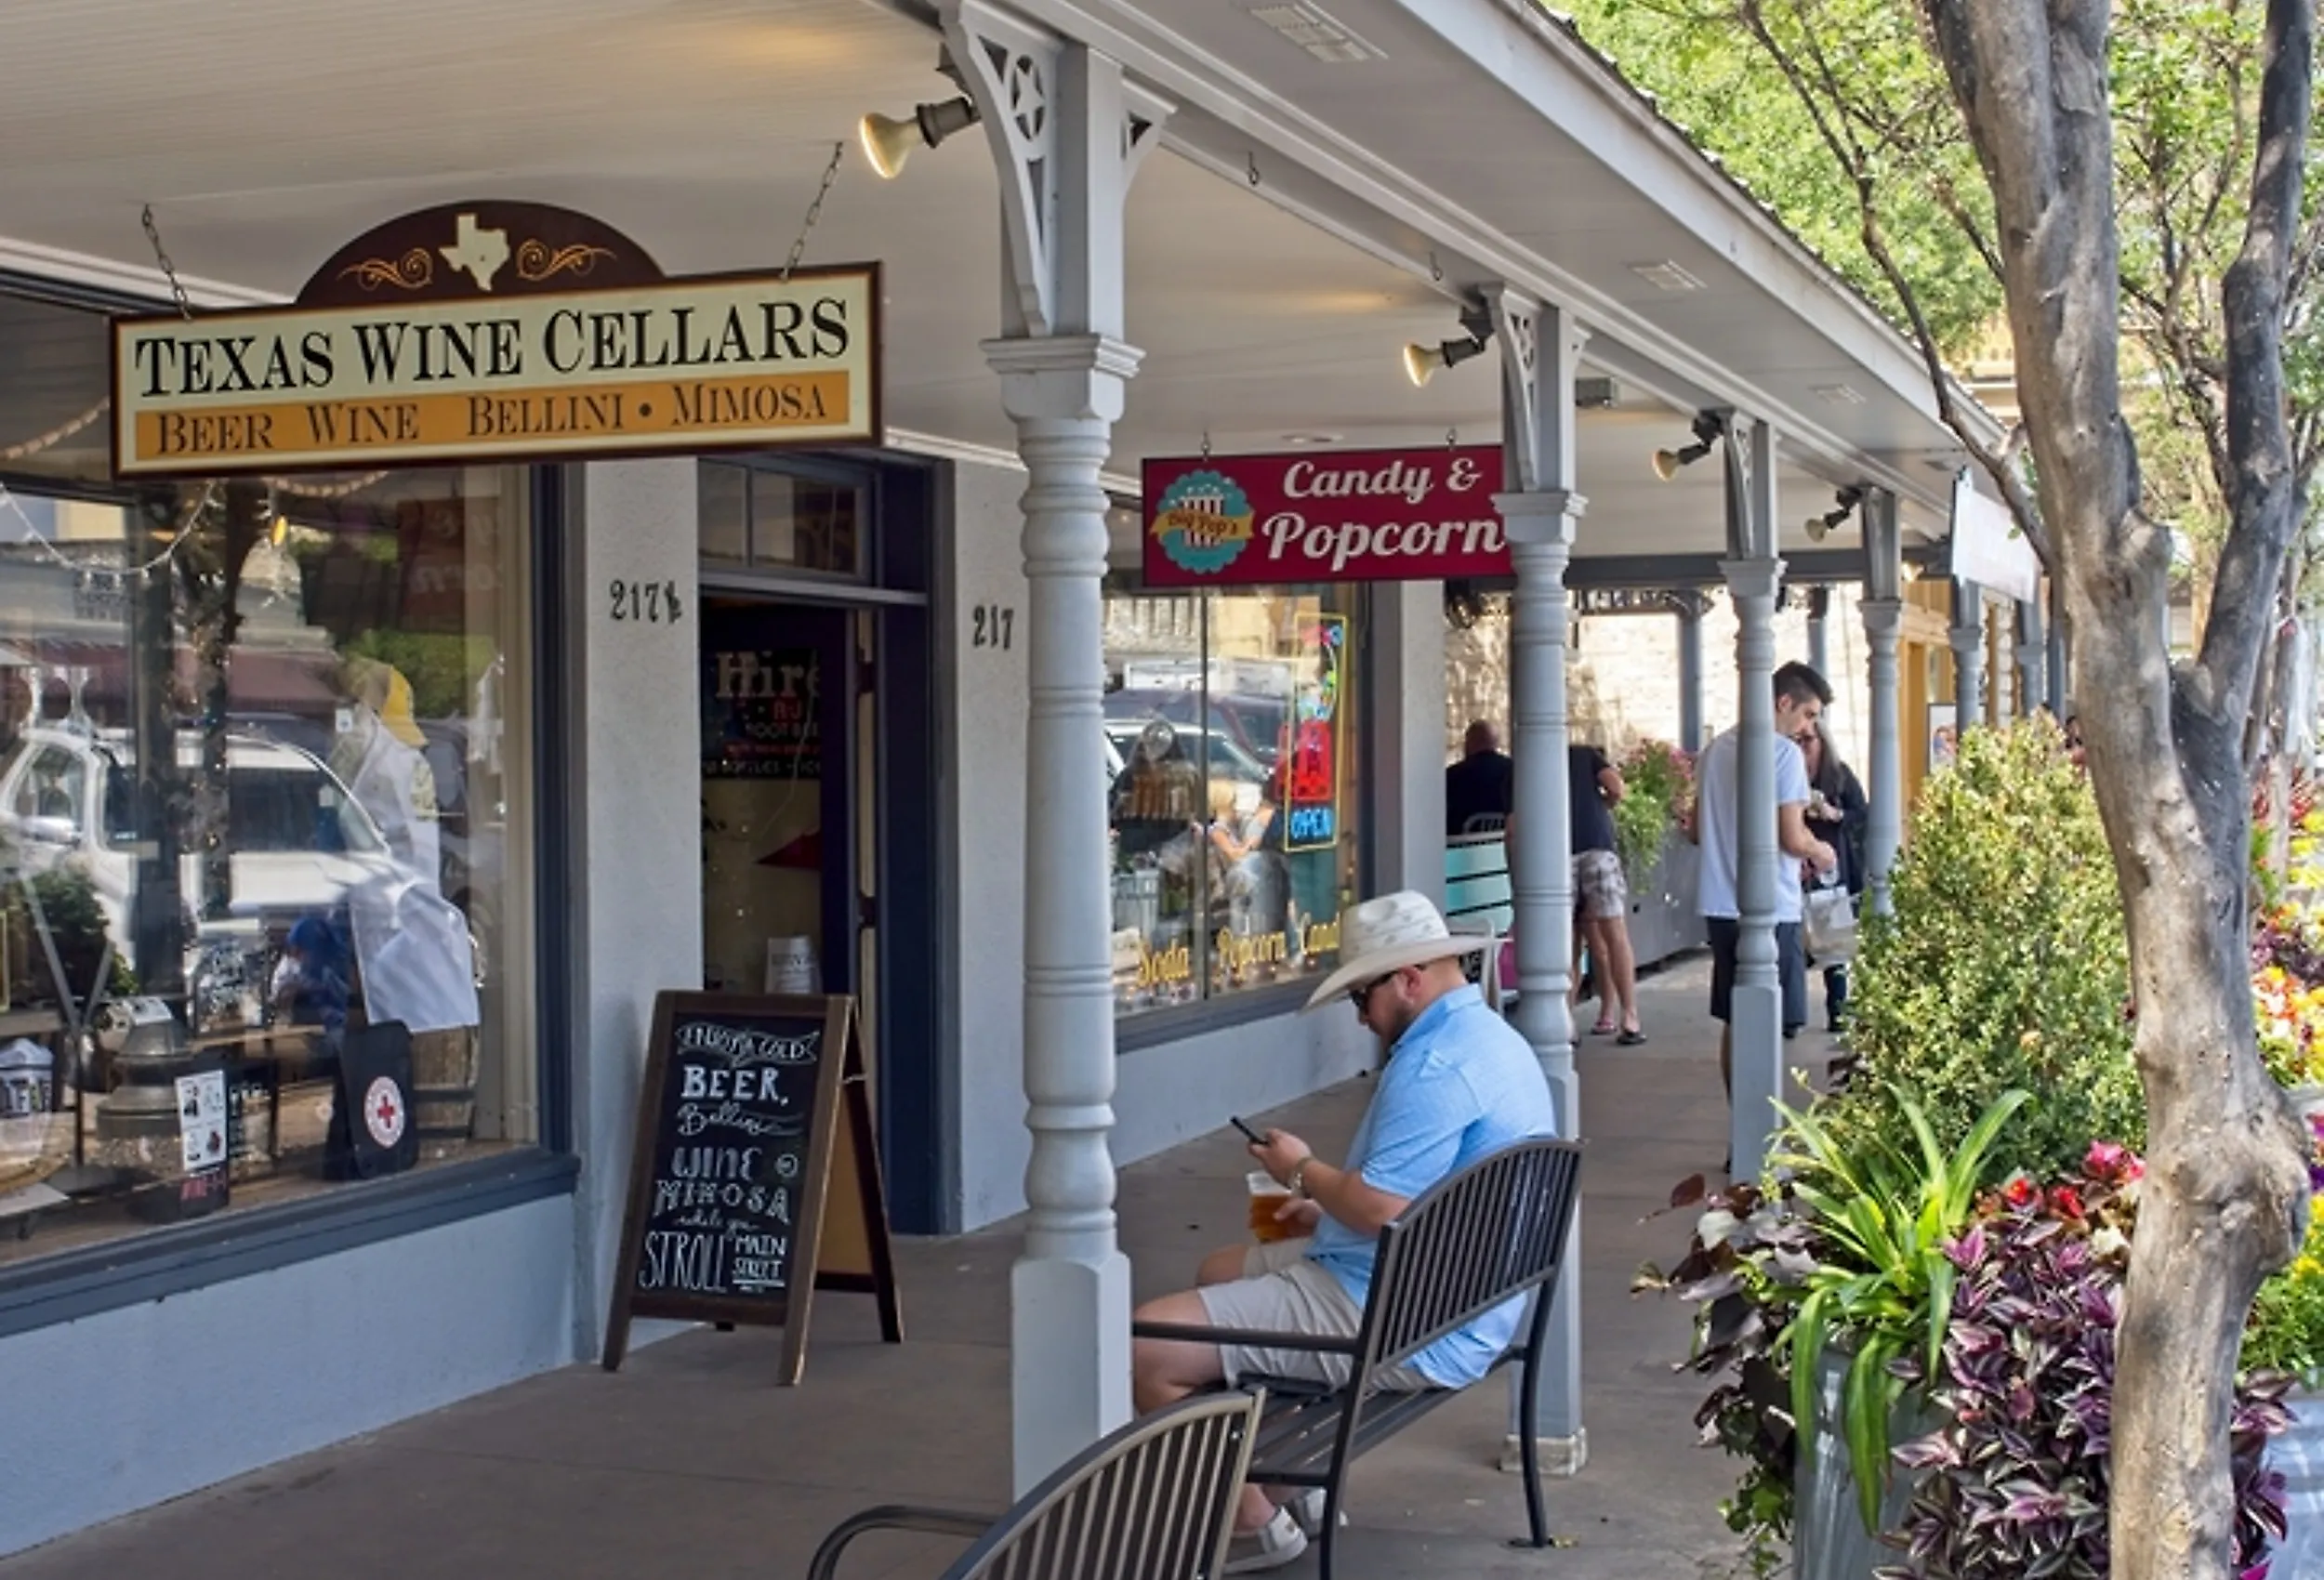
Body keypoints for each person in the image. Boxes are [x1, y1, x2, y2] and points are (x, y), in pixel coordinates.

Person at [1129, 890, 1555, 1572]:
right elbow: (1406, 1201)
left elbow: (1379, 1206)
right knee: (1217, 1271)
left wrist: (1302, 1172)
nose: (1362, 1019)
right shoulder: (1491, 1041)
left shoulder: (1432, 1067)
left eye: (1362, 998)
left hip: (1402, 1311)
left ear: (1409, 980)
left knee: (1148, 1343)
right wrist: (1325, 1208)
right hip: (1462, 1293)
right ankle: (1287, 1482)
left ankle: (1253, 1522)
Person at [1685, 661, 1838, 1111]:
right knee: (1773, 1022)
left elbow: (1696, 830)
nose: (1809, 727)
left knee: (1737, 1018)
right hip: (1771, 905)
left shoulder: (1714, 751)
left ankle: (1743, 1128)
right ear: (1783, 702)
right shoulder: (1783, 754)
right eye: (1808, 714)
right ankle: (1764, 1133)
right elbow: (1790, 836)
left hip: (1720, 900)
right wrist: (1819, 850)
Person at [1568, 742, 1643, 1044]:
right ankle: (1630, 1016)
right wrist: (1604, 804)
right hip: (1597, 846)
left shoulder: (1524, 763)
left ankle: (1565, 1019)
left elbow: (1513, 828)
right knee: (1614, 932)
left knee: (1566, 943)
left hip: (1556, 854)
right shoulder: (1585, 755)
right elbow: (1616, 787)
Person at [1800, 720, 1868, 1034]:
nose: (1803, 747)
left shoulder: (1838, 775)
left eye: (1808, 740)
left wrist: (1835, 814)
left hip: (1833, 870)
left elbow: (1862, 813)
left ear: (1823, 741)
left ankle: (1837, 1011)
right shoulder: (1786, 771)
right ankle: (1789, 1013)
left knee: (1834, 946)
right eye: (1796, 740)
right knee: (1793, 943)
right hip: (1797, 864)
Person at [1444, 719, 1513, 836]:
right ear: (1495, 743)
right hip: (1503, 840)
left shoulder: (1452, 775)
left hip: (1460, 845)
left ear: (1470, 742)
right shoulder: (1515, 771)